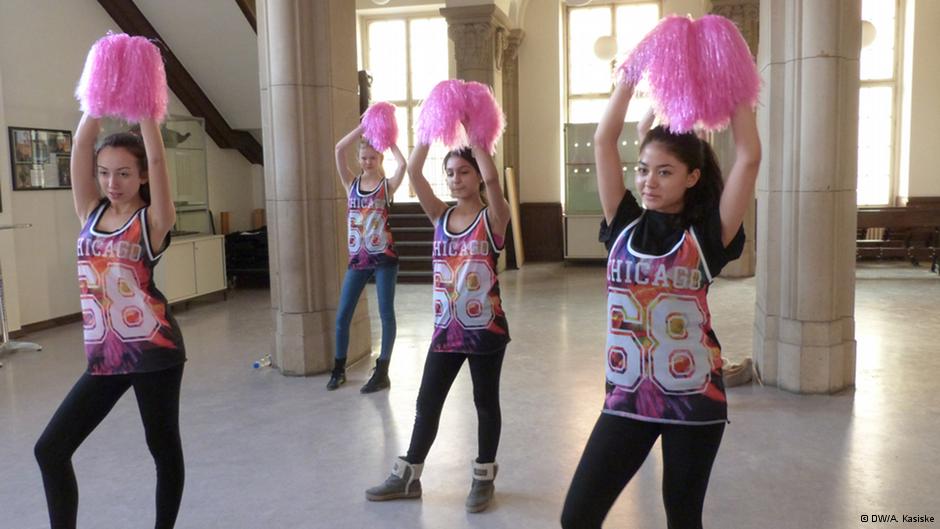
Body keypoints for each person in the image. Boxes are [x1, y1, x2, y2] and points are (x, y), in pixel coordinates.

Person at [560, 77, 761, 529]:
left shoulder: (709, 233)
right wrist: (627, 81)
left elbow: (749, 157)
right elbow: (603, 139)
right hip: (627, 398)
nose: (649, 181)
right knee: (577, 517)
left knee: (682, 518)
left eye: (664, 171)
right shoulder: (625, 221)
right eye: (643, 169)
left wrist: (737, 85)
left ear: (692, 177)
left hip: (694, 399)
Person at [34, 114, 186, 529]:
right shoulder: (89, 211)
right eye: (104, 173)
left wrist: (150, 115)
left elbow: (158, 161)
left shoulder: (154, 221)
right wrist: (96, 101)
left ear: (140, 176)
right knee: (50, 449)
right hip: (106, 356)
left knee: (162, 447)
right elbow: (81, 149)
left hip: (155, 352)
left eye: (123, 173)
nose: (111, 182)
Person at [365, 139, 511, 513]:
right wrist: (430, 127)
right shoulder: (440, 216)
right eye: (450, 173)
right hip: (446, 331)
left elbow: (494, 182)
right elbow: (413, 172)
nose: (456, 179)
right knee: (427, 401)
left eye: (464, 172)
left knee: (484, 402)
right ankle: (409, 474)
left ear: (477, 175)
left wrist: (479, 141)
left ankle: (483, 475)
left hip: (485, 331)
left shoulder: (494, 218)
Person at [329, 125, 406, 392]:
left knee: (386, 313)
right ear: (359, 159)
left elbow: (403, 163)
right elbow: (339, 149)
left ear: (380, 159)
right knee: (343, 315)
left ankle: (382, 370)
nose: (367, 161)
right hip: (358, 260)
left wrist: (388, 138)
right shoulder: (350, 182)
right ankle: (338, 369)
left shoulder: (387, 185)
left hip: (384, 258)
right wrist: (363, 126)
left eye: (372, 157)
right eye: (363, 157)